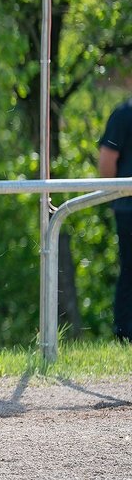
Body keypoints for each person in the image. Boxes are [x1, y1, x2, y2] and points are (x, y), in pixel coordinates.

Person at [99, 93, 132, 342]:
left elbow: (106, 162)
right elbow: (107, 162)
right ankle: (125, 334)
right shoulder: (123, 115)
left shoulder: (122, 114)